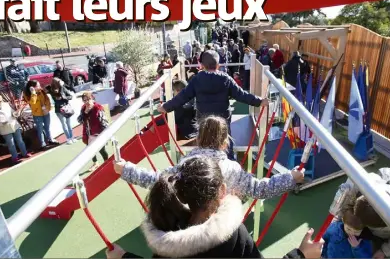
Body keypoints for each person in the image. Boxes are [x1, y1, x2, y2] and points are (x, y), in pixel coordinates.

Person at [107, 156, 321, 259]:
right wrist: (300, 255)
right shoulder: (233, 235)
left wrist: (124, 257)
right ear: (222, 191)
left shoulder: (168, 228)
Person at [115, 115, 304, 200]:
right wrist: (290, 178)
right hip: (221, 230)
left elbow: (156, 180)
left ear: (199, 138)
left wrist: (126, 170)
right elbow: (260, 189)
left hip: (190, 227)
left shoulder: (185, 164)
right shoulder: (232, 169)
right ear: (225, 142)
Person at [157, 50, 269, 160]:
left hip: (204, 121)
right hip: (222, 120)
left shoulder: (197, 80)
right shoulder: (225, 79)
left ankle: (207, 166)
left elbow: (182, 97)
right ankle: (229, 162)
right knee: (225, 145)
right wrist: (260, 101)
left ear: (201, 65)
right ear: (218, 65)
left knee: (204, 146)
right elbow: (242, 95)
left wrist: (165, 107)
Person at [0, 94, 30, 164]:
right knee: (11, 143)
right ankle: (15, 157)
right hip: (5, 129)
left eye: (1, 100)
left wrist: (16, 113)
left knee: (20, 140)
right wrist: (1, 123)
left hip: (14, 125)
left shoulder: (6, 104)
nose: (1, 102)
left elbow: (12, 112)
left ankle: (24, 153)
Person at [78, 92, 109, 172]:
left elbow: (104, 121)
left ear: (92, 98)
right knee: (90, 150)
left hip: (98, 133)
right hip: (89, 134)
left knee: (101, 150)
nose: (87, 102)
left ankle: (107, 163)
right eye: (85, 100)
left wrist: (106, 134)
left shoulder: (98, 108)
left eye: (88, 99)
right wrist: (85, 112)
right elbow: (79, 120)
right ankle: (95, 163)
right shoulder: (83, 108)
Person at [24, 80, 58, 149]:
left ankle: (50, 140)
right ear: (32, 87)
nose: (39, 87)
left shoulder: (41, 91)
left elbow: (47, 100)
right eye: (37, 86)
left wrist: (47, 109)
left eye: (39, 85)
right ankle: (43, 144)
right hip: (37, 114)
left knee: (47, 127)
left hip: (45, 113)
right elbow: (33, 102)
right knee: (40, 129)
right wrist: (33, 93)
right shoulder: (27, 94)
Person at [48, 78, 76, 145]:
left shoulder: (63, 88)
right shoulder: (52, 90)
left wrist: (64, 97)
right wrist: (60, 90)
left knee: (68, 123)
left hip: (66, 108)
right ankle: (68, 138)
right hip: (59, 109)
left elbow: (70, 96)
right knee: (64, 124)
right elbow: (57, 96)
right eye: (59, 82)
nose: (61, 82)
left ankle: (72, 137)